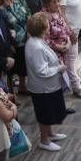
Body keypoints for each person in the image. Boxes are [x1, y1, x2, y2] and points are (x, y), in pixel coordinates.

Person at [25, 12, 70, 152]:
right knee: (45, 114)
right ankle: (44, 140)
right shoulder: (36, 46)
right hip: (43, 88)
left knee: (49, 112)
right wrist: (59, 68)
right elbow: (41, 70)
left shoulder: (37, 40)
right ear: (43, 28)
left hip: (48, 86)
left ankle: (50, 134)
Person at [0, 0, 30, 93]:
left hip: (27, 37)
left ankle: (22, 86)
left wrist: (31, 32)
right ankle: (10, 92)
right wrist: (10, 44)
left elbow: (28, 14)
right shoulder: (0, 10)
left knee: (25, 64)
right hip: (15, 43)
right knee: (14, 67)